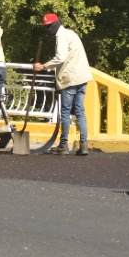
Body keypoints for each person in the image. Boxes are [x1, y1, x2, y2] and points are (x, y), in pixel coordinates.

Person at [33, 12, 92, 155]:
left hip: (70, 78)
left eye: (48, 26)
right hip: (82, 77)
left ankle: (63, 145)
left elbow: (60, 57)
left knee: (65, 112)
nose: (48, 30)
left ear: (54, 25)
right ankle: (84, 146)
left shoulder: (61, 36)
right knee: (80, 112)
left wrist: (43, 66)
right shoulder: (71, 34)